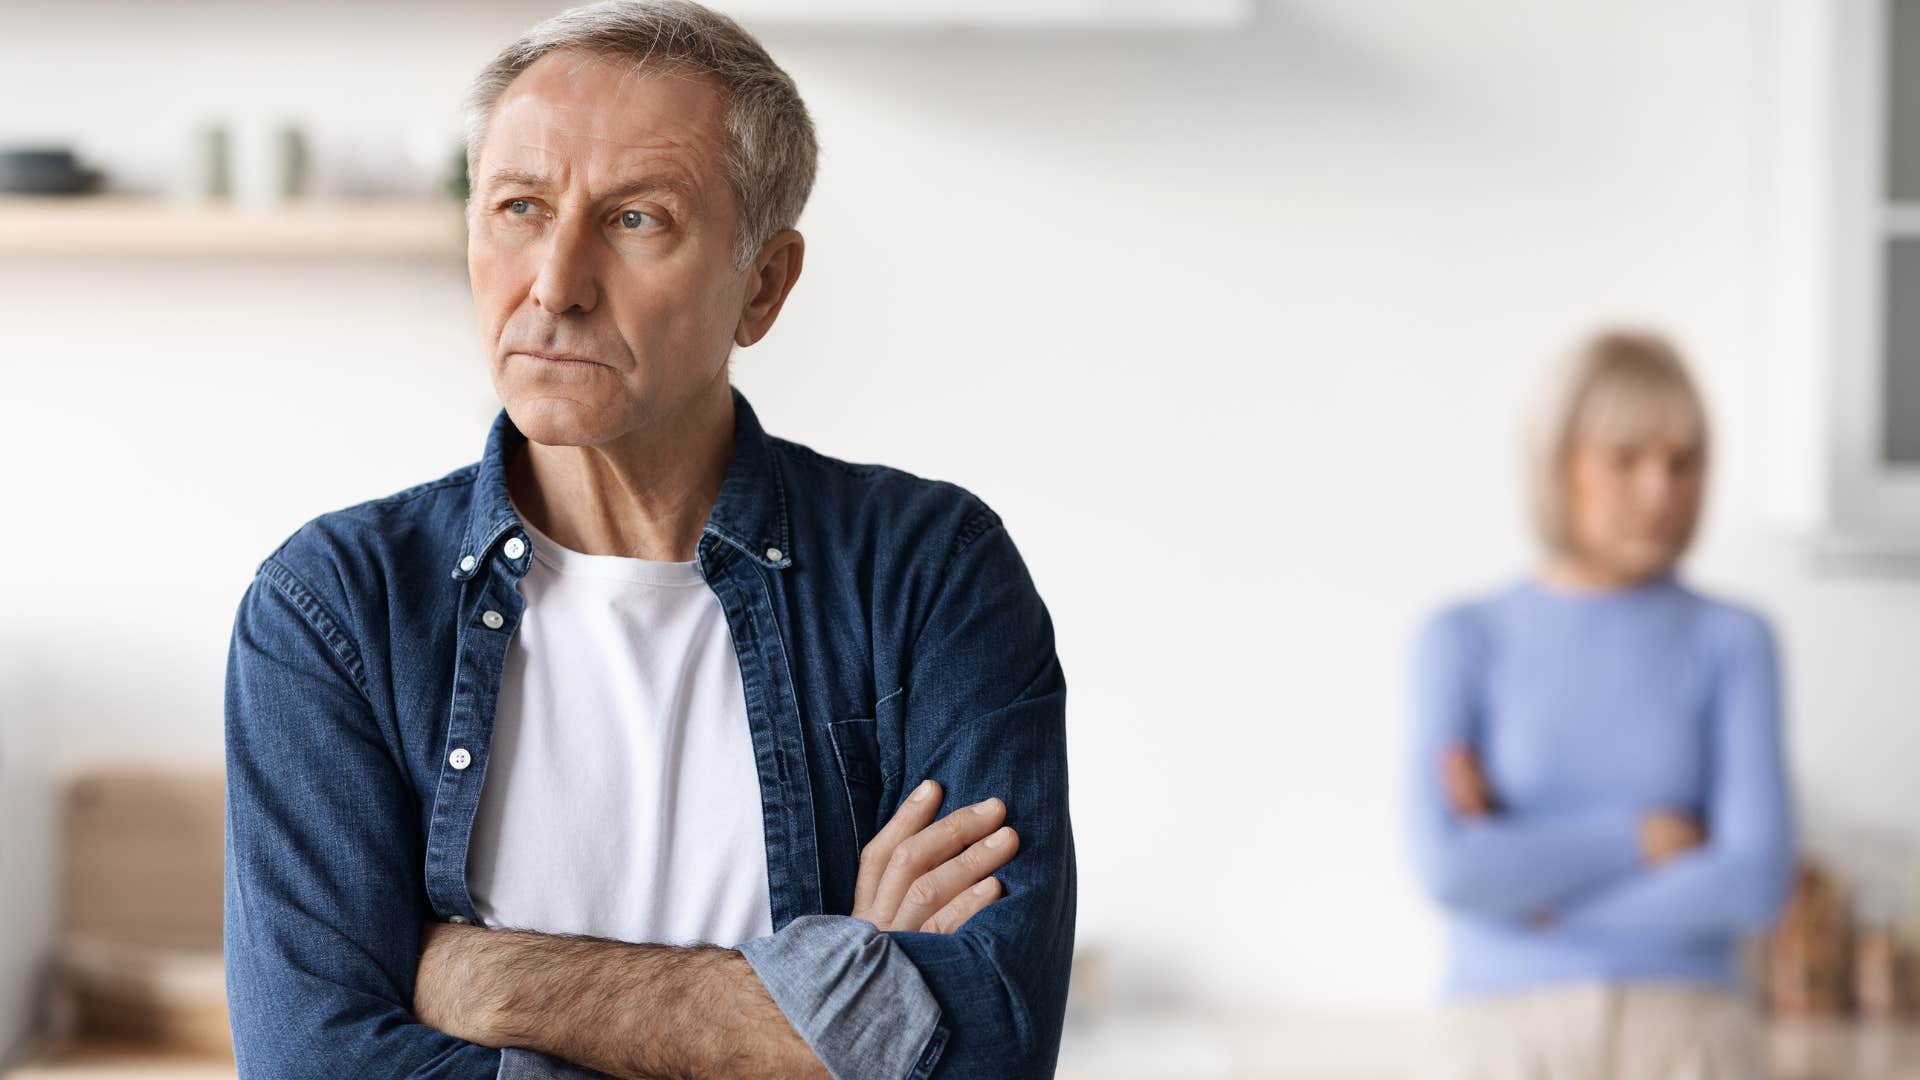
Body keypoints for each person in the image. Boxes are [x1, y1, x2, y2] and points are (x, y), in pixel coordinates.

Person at [221, 3, 1074, 1077]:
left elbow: (987, 1046)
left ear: (762, 285)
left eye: (636, 221)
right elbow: (315, 1064)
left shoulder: (929, 576)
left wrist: (493, 979)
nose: (556, 285)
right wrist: (838, 1009)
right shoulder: (334, 609)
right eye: (520, 207)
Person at [1405, 330, 1794, 1079]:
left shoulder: (1733, 641)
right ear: (1560, 466)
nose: (1660, 491)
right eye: (1626, 461)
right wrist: (1641, 840)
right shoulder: (1464, 640)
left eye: (1683, 464)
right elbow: (1451, 868)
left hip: (1694, 1034)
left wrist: (1535, 900)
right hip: (1501, 1036)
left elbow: (1751, 883)